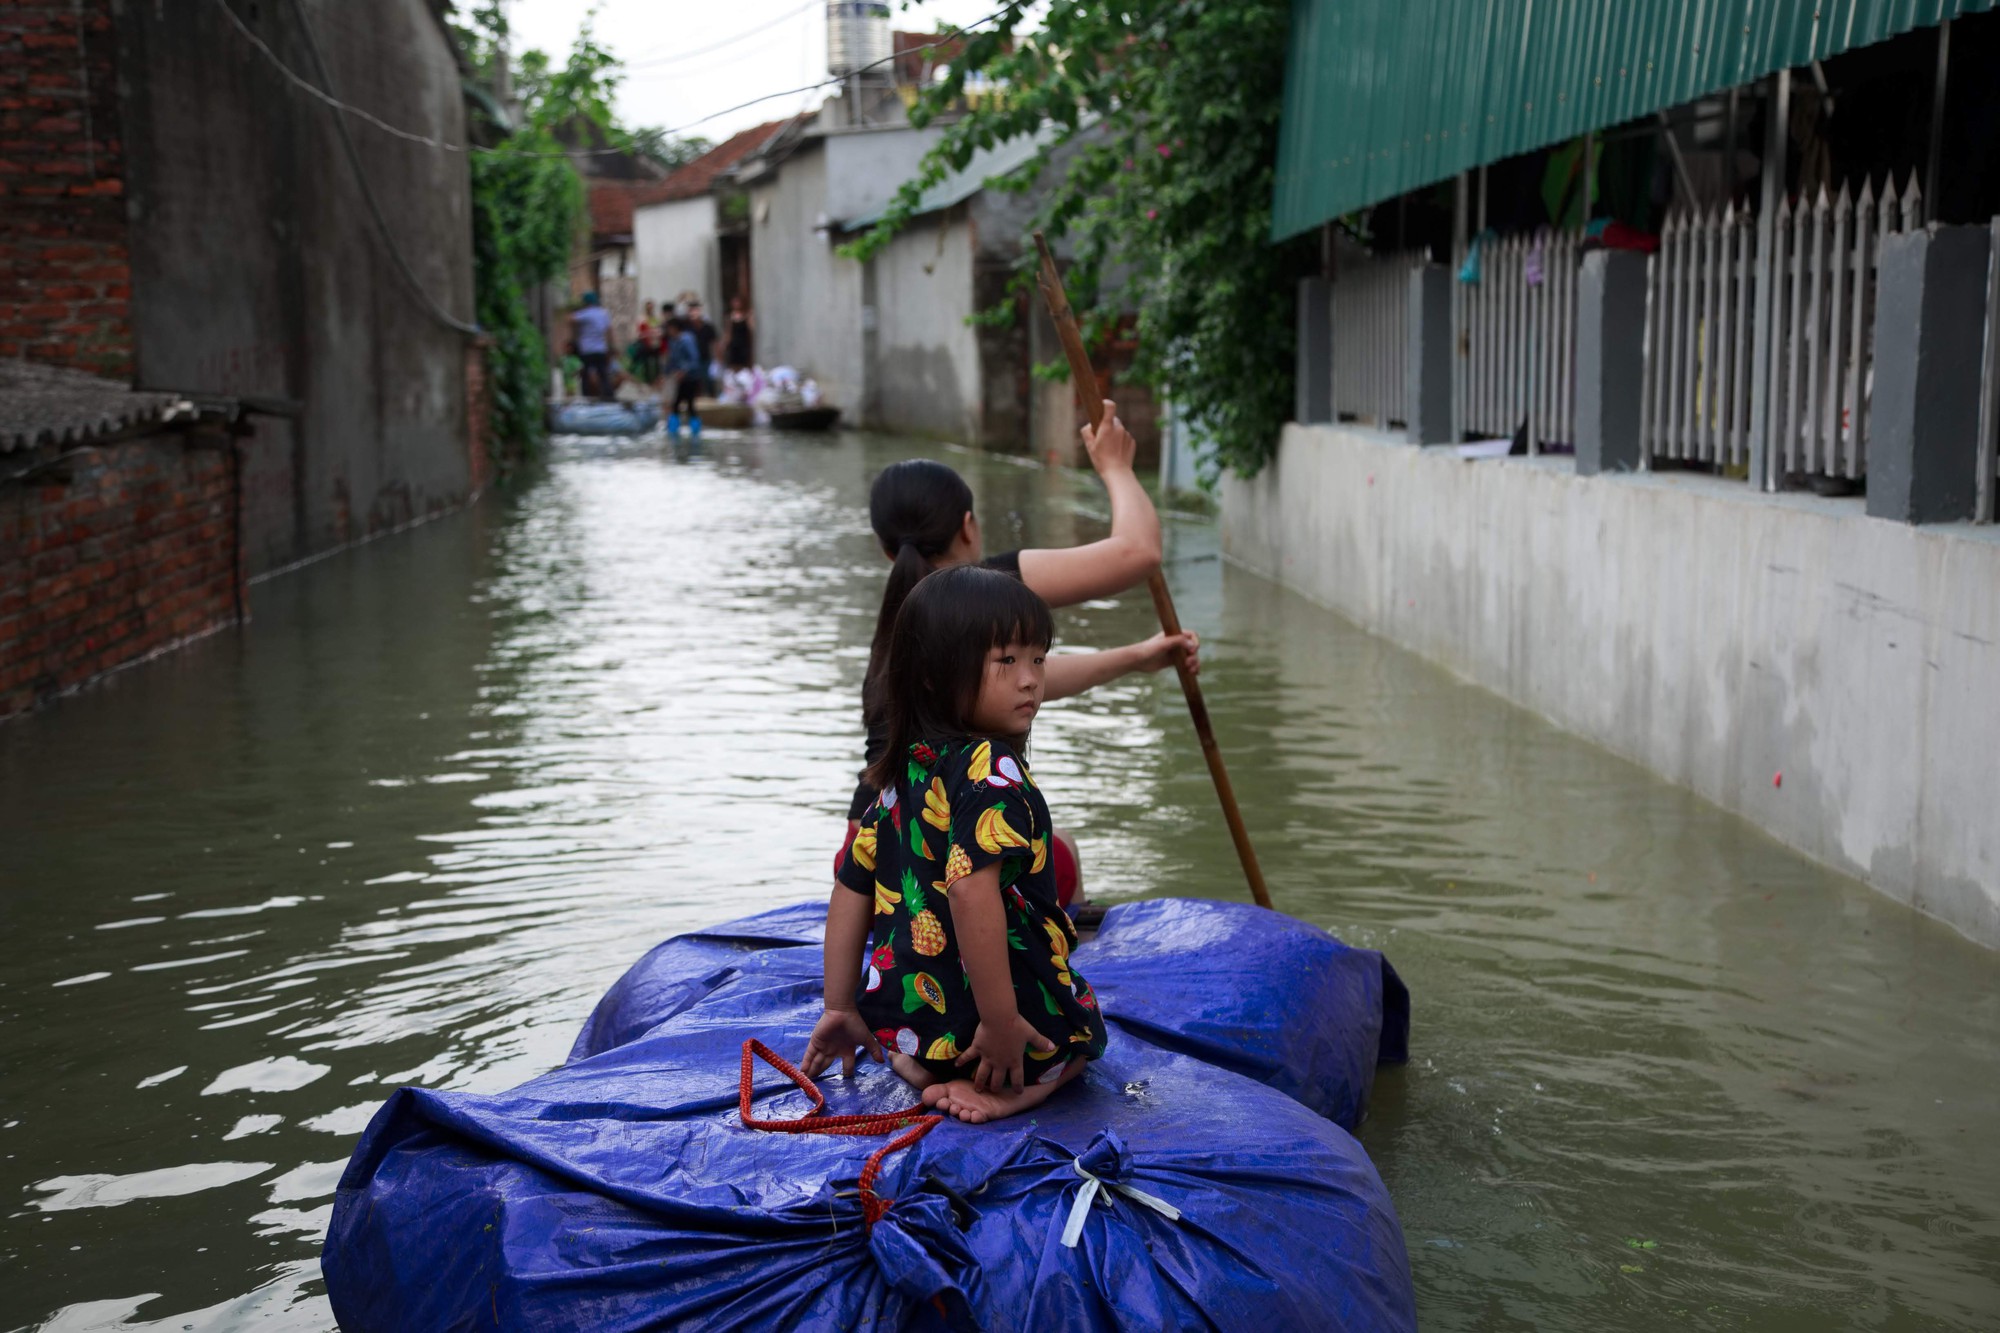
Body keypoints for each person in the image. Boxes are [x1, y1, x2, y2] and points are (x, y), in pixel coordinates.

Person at [846, 405, 1196, 912]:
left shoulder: (902, 617)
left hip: (866, 844)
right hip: (943, 854)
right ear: (969, 527)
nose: (1025, 674)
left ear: (885, 551)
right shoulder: (986, 591)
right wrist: (1115, 467)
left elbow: (1010, 680)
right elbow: (1137, 552)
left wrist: (1135, 657)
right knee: (1062, 849)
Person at [807, 565, 1106, 1124]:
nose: (1031, 680)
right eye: (1007, 661)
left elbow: (851, 886)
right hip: (989, 1022)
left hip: (917, 1022)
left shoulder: (904, 770)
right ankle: (1018, 1086)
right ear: (933, 675)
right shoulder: (993, 769)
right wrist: (999, 1024)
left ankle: (930, 1064)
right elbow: (971, 892)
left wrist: (840, 1006)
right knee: (1084, 1035)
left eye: (1038, 658)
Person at [664, 316, 703, 438]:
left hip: (690, 377)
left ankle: (684, 431)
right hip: (681, 378)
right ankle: (677, 430)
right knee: (684, 404)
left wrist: (684, 371)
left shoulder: (687, 340)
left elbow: (694, 359)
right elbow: (672, 361)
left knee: (684, 403)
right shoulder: (673, 342)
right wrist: (665, 373)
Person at [571, 292, 613, 400]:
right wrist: (610, 347)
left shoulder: (584, 313)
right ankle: (608, 397)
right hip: (600, 349)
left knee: (585, 375)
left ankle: (587, 398)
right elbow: (609, 332)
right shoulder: (603, 313)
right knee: (603, 374)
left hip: (586, 350)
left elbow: (570, 319)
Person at [687, 302, 719, 387]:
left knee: (708, 379)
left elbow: (714, 343)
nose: (694, 314)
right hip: (691, 360)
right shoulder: (687, 328)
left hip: (705, 357)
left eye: (695, 311)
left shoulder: (708, 327)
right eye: (691, 311)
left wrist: (717, 358)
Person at [725, 297, 754, 371]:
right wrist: (726, 344)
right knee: (734, 365)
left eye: (738, 302)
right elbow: (728, 332)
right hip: (734, 345)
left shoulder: (746, 316)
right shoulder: (730, 317)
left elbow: (751, 329)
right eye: (735, 302)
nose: (736, 304)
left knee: (744, 365)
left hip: (744, 344)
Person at [635, 300, 661, 384]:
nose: (650, 309)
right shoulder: (642, 318)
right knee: (646, 364)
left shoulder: (656, 318)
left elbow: (658, 328)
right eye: (648, 307)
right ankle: (648, 381)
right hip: (646, 343)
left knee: (657, 363)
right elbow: (639, 332)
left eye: (651, 307)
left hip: (655, 343)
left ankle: (657, 380)